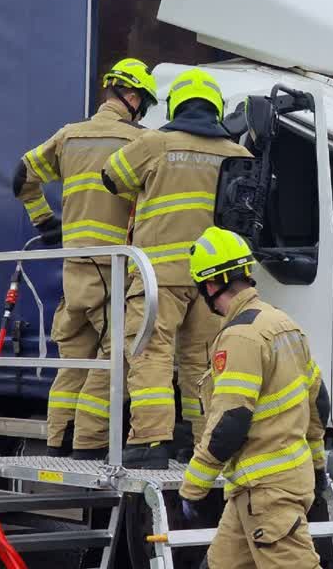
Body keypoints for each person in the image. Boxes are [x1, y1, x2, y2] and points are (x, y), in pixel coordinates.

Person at [101, 68, 253, 469]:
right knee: (202, 362)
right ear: (216, 107)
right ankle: (204, 442)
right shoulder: (238, 154)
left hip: (157, 277)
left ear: (176, 104)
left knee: (150, 353)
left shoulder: (155, 143)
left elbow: (111, 177)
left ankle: (150, 443)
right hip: (213, 280)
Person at [13, 58, 157, 458]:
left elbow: (20, 177)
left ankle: (57, 441)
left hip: (74, 268)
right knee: (119, 360)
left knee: (73, 362)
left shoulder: (69, 137)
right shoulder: (138, 143)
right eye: (142, 103)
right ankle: (89, 446)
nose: (141, 111)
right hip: (113, 268)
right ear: (130, 97)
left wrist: (45, 222)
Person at [179, 226, 327, 569]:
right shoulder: (285, 324)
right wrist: (318, 466)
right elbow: (319, 404)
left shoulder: (240, 337)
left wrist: (193, 487)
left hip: (267, 493)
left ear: (211, 285)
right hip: (257, 491)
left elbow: (230, 422)